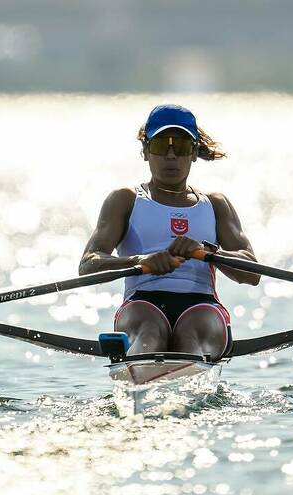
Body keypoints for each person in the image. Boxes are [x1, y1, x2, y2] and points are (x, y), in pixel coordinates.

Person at [79, 104, 260, 360]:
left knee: (191, 334)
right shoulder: (125, 200)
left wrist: (208, 253)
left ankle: (174, 373)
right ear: (145, 151)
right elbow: (88, 265)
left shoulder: (216, 205)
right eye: (162, 146)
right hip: (142, 302)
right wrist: (139, 261)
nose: (171, 156)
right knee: (149, 331)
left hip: (202, 304)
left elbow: (251, 274)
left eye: (182, 146)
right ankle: (148, 369)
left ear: (194, 152)